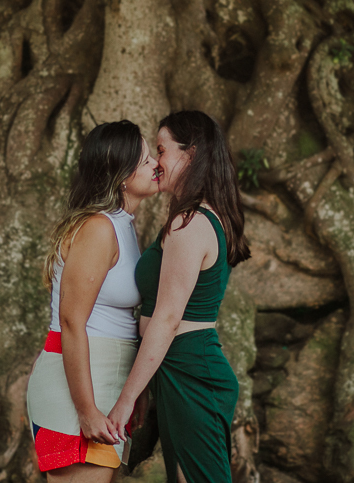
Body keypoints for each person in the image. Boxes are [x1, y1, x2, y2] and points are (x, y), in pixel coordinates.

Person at [108, 110, 250, 483]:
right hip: (178, 370)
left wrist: (125, 400)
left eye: (162, 150)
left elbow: (168, 320)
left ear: (192, 153)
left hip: (191, 371)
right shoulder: (195, 218)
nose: (156, 163)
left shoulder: (191, 224)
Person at [26, 120, 159, 482]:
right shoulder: (98, 228)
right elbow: (71, 321)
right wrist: (86, 410)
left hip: (106, 382)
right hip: (78, 389)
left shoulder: (124, 225)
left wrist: (136, 390)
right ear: (120, 176)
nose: (156, 166)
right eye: (145, 160)